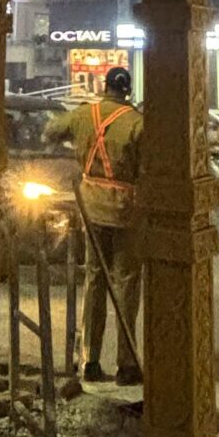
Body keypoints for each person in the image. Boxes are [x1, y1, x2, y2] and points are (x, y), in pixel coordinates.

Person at [47, 68, 144, 383]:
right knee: (126, 283)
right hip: (125, 209)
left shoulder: (83, 114)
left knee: (94, 279)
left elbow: (50, 131)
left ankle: (89, 360)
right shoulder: (137, 123)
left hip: (91, 208)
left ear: (104, 87)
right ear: (128, 91)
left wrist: (79, 141)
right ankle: (126, 365)